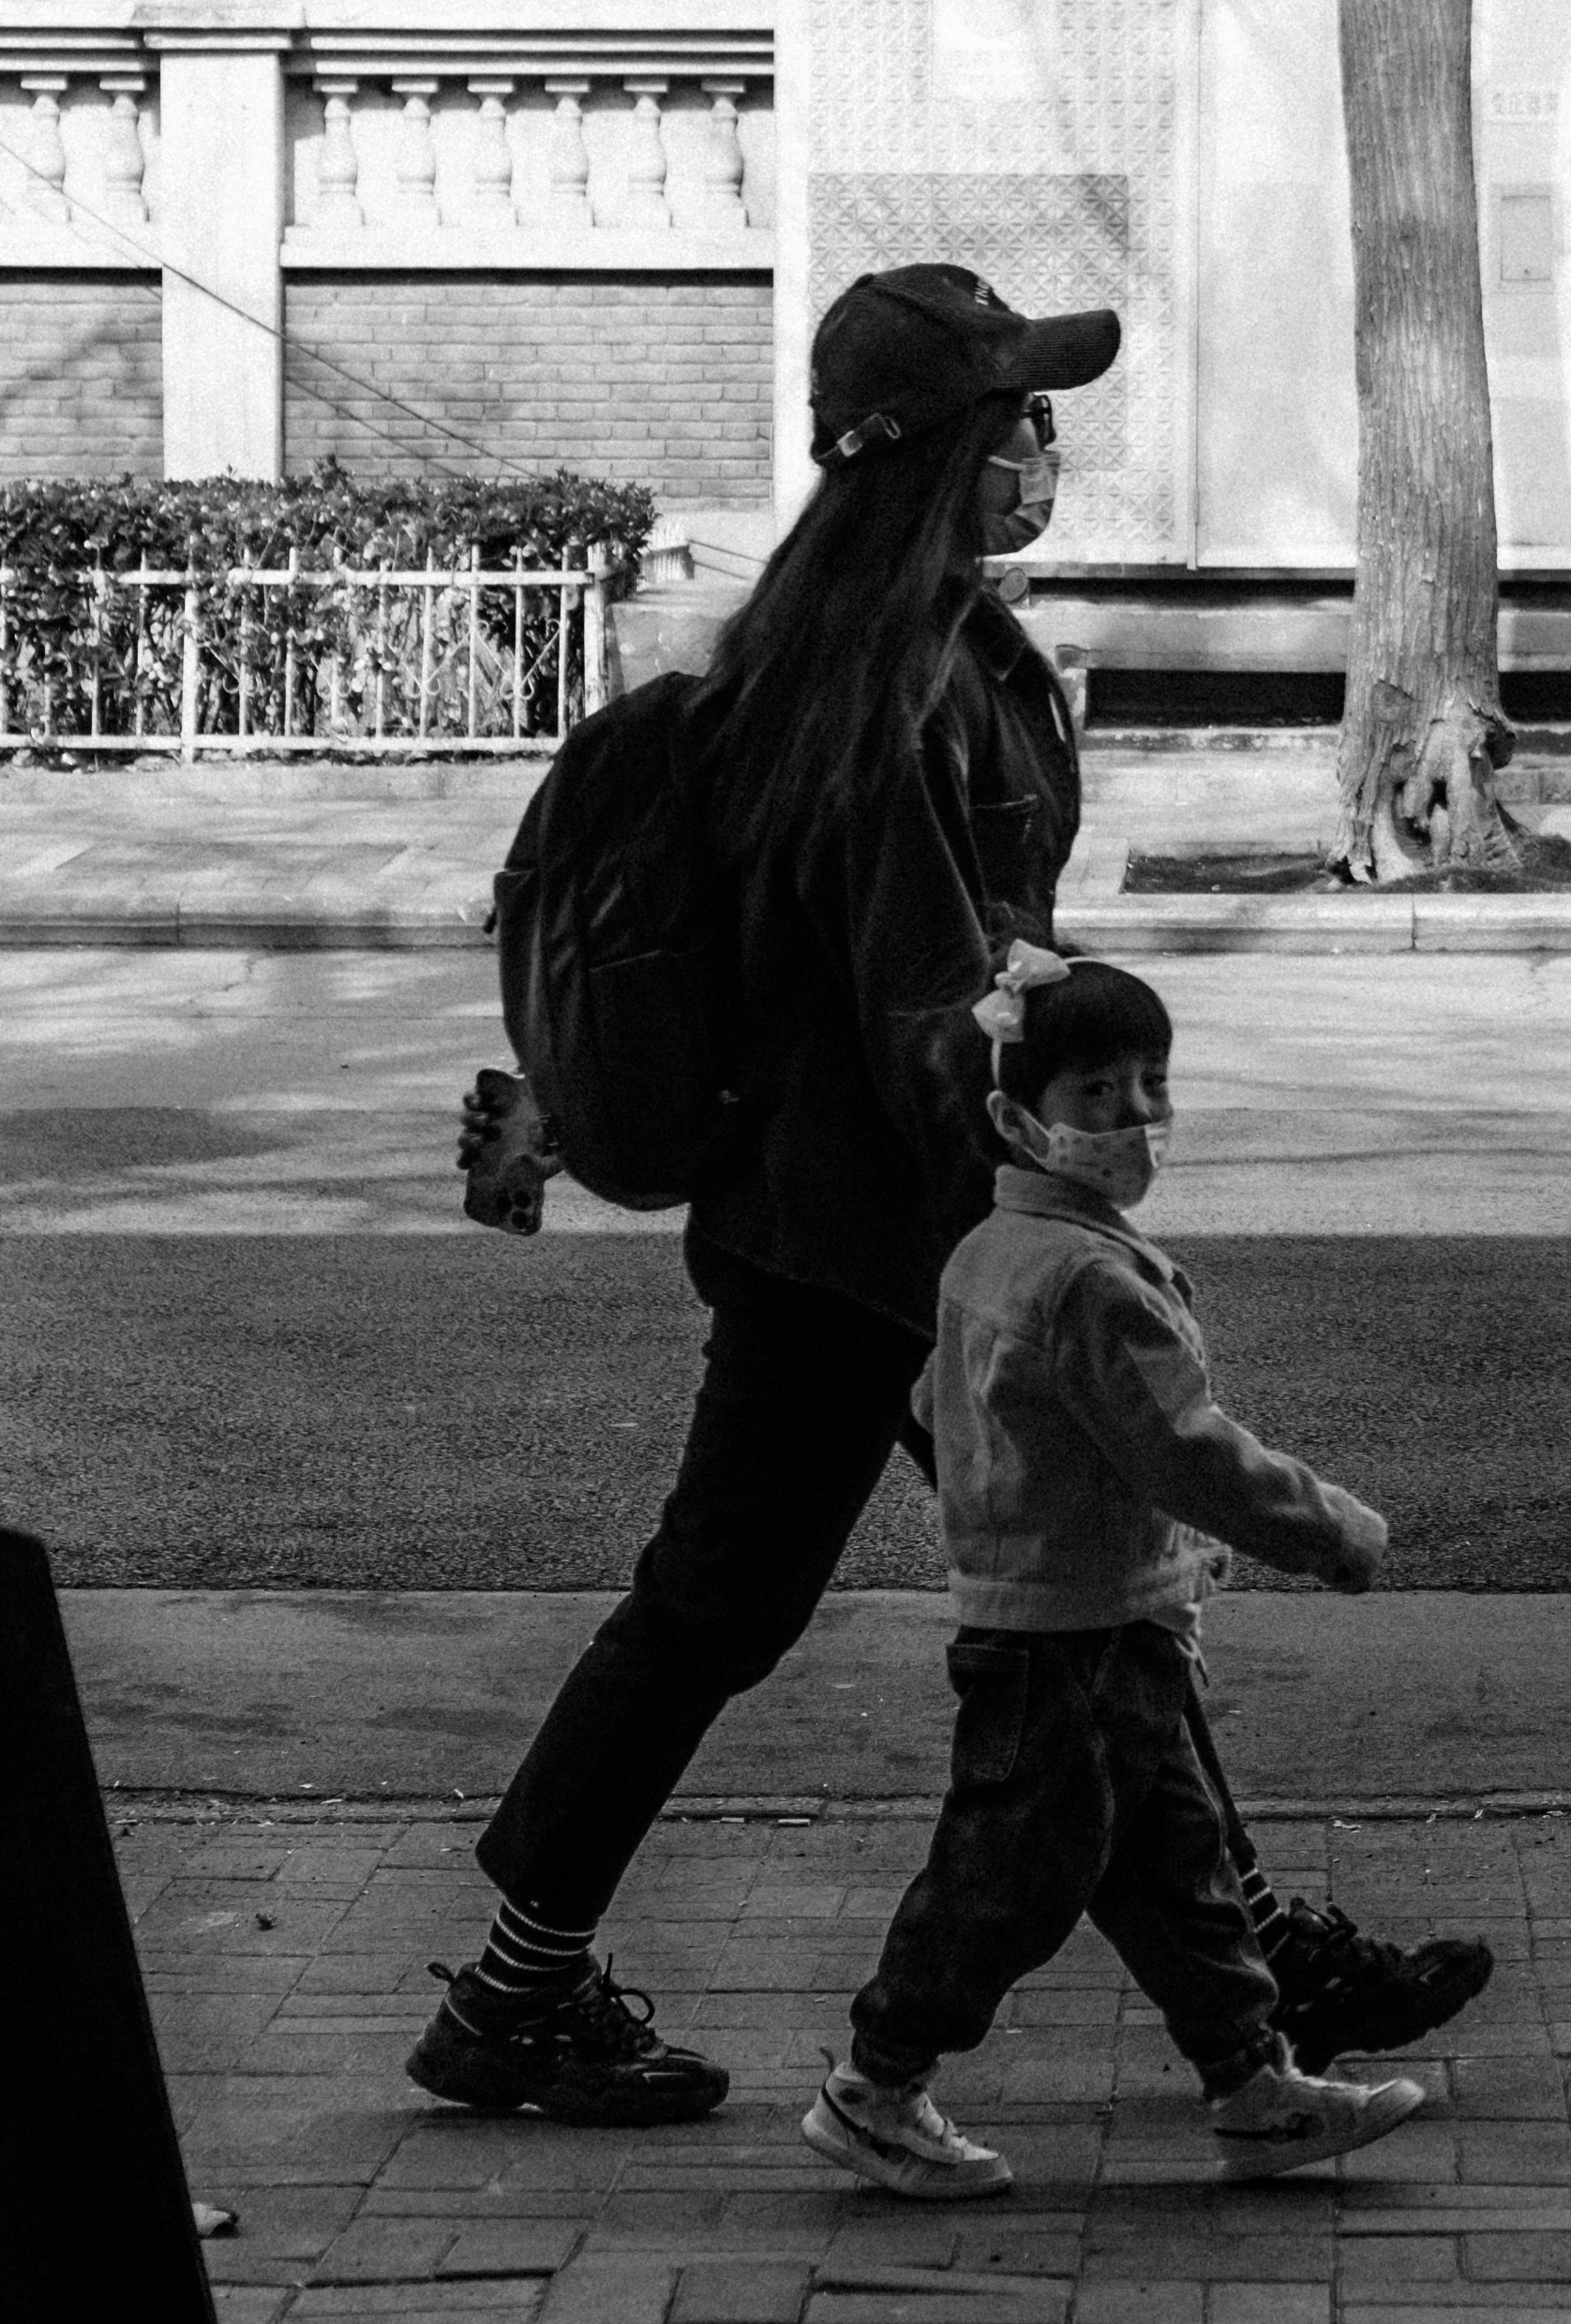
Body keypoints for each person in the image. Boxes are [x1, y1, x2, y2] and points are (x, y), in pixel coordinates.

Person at [411, 264, 1490, 2124]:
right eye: (1021, 424)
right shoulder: (888, 681)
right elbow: (934, 999)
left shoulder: (904, 651)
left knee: (1079, 1604)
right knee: (783, 1607)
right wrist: (1066, 1150)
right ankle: (519, 1989)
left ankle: (1251, 1973)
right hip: (892, 1249)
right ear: (932, 456)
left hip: (871, 1238)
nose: (1049, 454)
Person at [800, 957, 1429, 2202]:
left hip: (1088, 1615)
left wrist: (1000, 1489)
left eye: (1151, 1083)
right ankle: (875, 2083)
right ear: (1019, 1115)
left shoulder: (995, 1249)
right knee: (1006, 1879)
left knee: (1176, 1870)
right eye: (1099, 1091)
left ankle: (1251, 2081)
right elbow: (1181, 1444)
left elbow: (936, 1400)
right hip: (1069, 1636)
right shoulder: (1087, 1274)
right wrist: (1329, 1531)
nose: (1136, 1116)